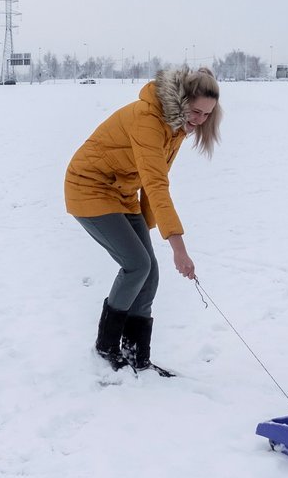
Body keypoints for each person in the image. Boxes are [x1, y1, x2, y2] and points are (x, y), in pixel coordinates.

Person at [64, 66, 222, 371]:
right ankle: (106, 348)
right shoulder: (148, 119)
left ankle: (137, 355)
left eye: (206, 115)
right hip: (89, 186)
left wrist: (146, 228)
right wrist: (178, 247)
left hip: (122, 193)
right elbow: (155, 184)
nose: (199, 120)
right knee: (137, 265)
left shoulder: (176, 128)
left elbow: (155, 181)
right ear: (181, 99)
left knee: (149, 271)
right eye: (196, 110)